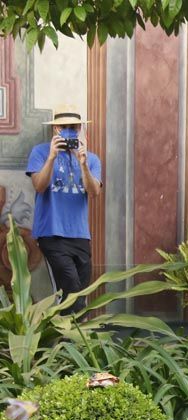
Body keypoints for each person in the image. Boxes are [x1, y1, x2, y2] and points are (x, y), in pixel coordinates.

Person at [26, 103, 103, 314]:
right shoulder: (40, 152)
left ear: (81, 130)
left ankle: (69, 343)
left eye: (74, 127)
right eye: (64, 127)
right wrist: (51, 157)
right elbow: (39, 186)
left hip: (80, 235)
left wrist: (83, 164)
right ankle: (70, 343)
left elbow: (94, 192)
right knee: (71, 289)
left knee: (79, 295)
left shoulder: (92, 159)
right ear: (55, 130)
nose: (70, 131)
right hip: (52, 234)